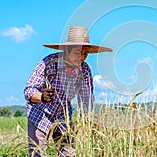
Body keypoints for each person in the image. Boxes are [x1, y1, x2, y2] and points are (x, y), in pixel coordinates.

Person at [24, 26, 112, 156]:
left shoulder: (85, 70)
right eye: (78, 52)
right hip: (40, 114)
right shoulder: (50, 63)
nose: (81, 58)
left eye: (85, 54)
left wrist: (89, 119)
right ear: (66, 50)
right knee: (38, 153)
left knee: (69, 152)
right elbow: (28, 90)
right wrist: (42, 96)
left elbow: (86, 98)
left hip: (63, 115)